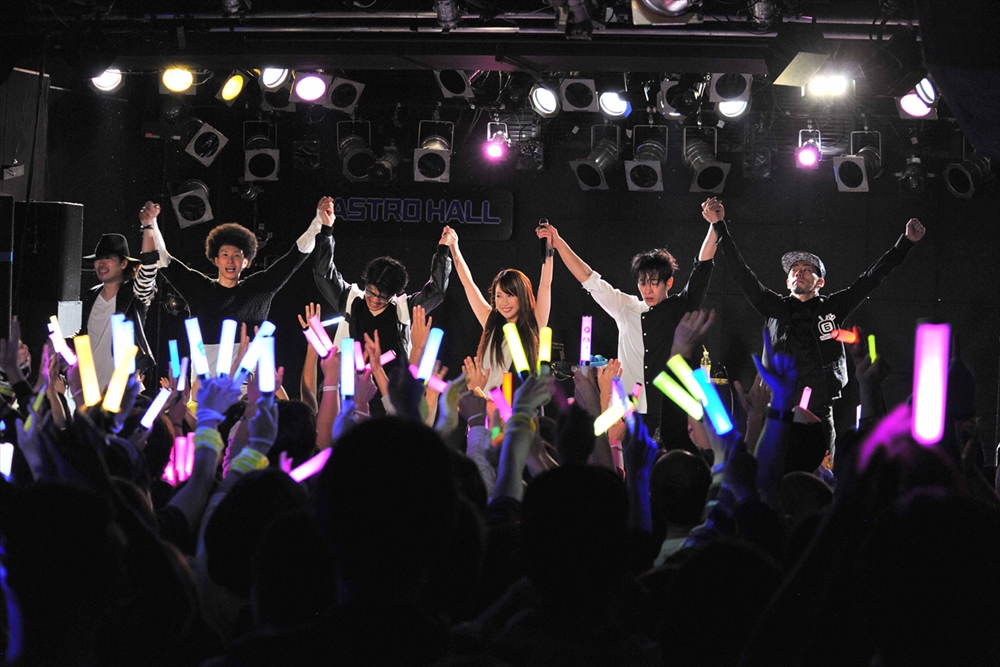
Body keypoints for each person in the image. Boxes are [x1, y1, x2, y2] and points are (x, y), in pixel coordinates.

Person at [701, 196, 926, 450]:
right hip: (779, 410)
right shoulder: (773, 307)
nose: (799, 271)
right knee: (775, 467)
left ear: (820, 282)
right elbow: (741, 273)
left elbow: (870, 279)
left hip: (819, 412)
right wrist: (719, 226)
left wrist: (905, 243)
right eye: (794, 270)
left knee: (823, 467)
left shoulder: (833, 308)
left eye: (807, 269)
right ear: (787, 282)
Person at [536, 214, 716, 434]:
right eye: (642, 282)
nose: (647, 290)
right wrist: (558, 242)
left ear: (668, 282)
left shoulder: (679, 307)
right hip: (630, 411)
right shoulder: (626, 307)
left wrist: (715, 225)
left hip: (671, 409)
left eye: (654, 283)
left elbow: (703, 267)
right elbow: (588, 278)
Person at [155, 198, 325, 364]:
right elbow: (164, 260)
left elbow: (294, 258)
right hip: (207, 378)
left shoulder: (258, 289)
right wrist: (151, 224)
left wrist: (318, 223)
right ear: (216, 260)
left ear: (245, 262)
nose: (230, 261)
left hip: (247, 377)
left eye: (236, 255)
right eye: (225, 255)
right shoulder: (200, 289)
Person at [311, 195, 453, 367]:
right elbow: (323, 273)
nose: (374, 300)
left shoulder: (403, 309)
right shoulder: (350, 301)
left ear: (393, 295)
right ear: (366, 284)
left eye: (382, 297)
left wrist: (443, 250)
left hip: (392, 382)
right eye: (371, 292)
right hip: (354, 379)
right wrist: (326, 229)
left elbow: (437, 291)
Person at [448, 226, 553, 392]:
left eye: (510, 295)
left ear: (522, 296)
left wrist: (548, 249)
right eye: (499, 296)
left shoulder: (534, 323)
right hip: (482, 401)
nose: (504, 302)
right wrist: (454, 246)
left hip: (514, 403)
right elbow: (468, 283)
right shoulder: (491, 321)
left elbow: (545, 285)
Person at [79, 201, 161, 389]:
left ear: (124, 264)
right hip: (90, 389)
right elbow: (87, 336)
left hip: (123, 389)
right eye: (98, 259)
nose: (101, 264)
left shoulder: (134, 294)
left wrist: (148, 226)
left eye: (108, 258)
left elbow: (149, 266)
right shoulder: (91, 296)